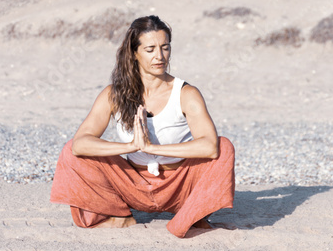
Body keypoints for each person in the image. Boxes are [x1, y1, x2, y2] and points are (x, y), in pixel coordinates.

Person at [50, 15, 235, 238]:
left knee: (224, 147)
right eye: (150, 49)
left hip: (180, 185)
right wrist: (131, 146)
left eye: (165, 48)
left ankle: (189, 218)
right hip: (132, 184)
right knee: (71, 152)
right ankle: (119, 216)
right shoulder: (113, 94)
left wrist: (150, 148)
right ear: (134, 53)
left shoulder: (187, 94)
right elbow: (80, 144)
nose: (159, 56)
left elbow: (209, 147)